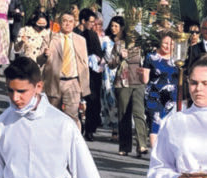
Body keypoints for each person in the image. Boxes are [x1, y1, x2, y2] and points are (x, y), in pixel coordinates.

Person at [42, 11, 90, 128]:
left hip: (73, 82)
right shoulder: (51, 38)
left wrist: (83, 84)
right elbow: (39, 60)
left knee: (72, 115)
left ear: (74, 23)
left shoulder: (80, 40)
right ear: (60, 23)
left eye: (70, 21)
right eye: (64, 21)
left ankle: (75, 142)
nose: (67, 24)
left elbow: (84, 63)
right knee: (53, 115)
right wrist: (44, 55)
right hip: (55, 81)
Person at [110, 27, 149, 158]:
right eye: (130, 30)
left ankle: (141, 144)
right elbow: (111, 64)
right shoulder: (119, 44)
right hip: (123, 83)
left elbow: (147, 62)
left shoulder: (142, 46)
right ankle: (124, 146)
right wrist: (120, 57)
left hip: (139, 83)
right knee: (124, 114)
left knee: (139, 113)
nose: (133, 33)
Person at [144, 31, 179, 148]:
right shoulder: (151, 57)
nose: (168, 46)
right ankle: (155, 156)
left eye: (171, 44)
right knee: (155, 124)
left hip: (172, 98)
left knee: (170, 127)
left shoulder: (178, 59)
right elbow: (145, 79)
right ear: (160, 43)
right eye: (165, 43)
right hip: (155, 96)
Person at [77, 8, 103, 141]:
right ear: (83, 21)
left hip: (92, 74)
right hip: (78, 72)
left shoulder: (92, 35)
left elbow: (99, 53)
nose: (93, 24)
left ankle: (89, 129)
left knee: (92, 101)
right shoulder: (76, 34)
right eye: (91, 22)